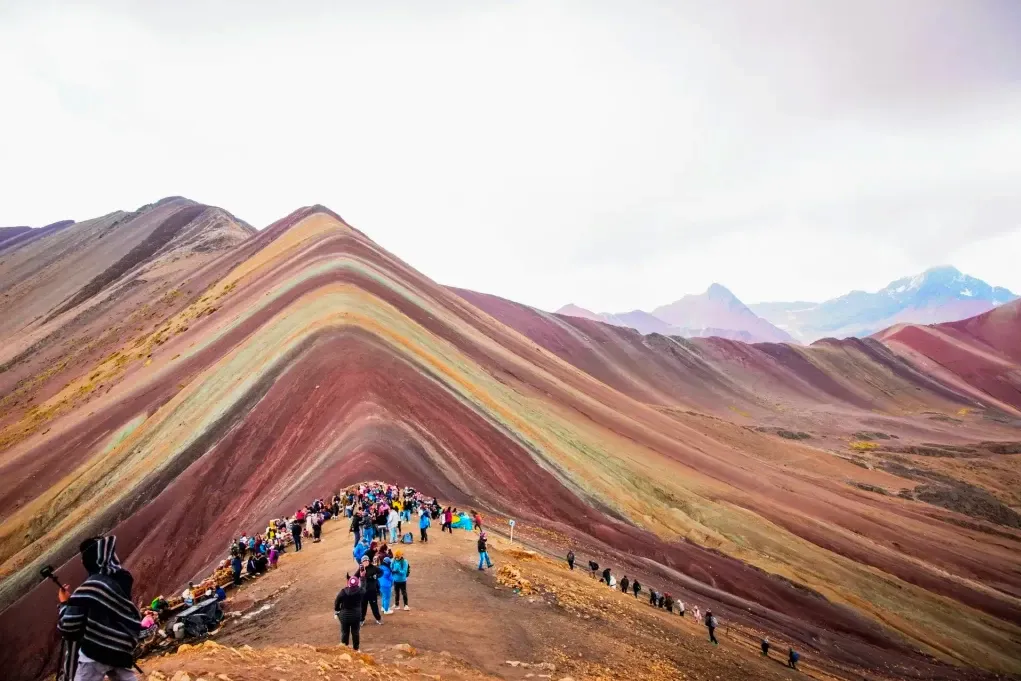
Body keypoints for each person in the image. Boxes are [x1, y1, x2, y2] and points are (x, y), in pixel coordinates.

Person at [56, 536, 142, 681]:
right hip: (121, 648)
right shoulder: (123, 579)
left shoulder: (90, 588)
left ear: (89, 560)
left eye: (83, 558)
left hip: (96, 652)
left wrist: (65, 603)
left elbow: (69, 627)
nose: (82, 561)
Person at [335, 576, 365, 651]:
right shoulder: (360, 591)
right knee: (355, 632)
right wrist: (363, 577)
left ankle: (344, 649)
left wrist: (337, 610)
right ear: (357, 583)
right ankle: (356, 649)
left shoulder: (343, 591)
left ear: (349, 583)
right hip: (356, 615)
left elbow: (337, 601)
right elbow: (364, 587)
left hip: (344, 615)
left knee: (345, 632)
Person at [357, 556, 383, 625]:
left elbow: (381, 572)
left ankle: (378, 619)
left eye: (366, 561)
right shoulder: (361, 569)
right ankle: (361, 620)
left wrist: (376, 576)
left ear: (369, 561)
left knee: (374, 606)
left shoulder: (374, 568)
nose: (365, 562)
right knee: (363, 607)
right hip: (363, 592)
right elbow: (355, 576)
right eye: (364, 561)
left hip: (372, 591)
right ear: (362, 562)